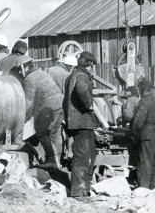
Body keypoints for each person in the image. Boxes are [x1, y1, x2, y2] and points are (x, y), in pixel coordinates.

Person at [14, 56, 64, 169]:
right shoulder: (41, 73)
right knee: (54, 134)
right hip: (60, 105)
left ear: (24, 68)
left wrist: (22, 121)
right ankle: (57, 162)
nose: (20, 73)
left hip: (50, 107)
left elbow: (29, 103)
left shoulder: (30, 79)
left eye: (19, 70)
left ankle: (52, 161)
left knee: (42, 132)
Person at [63, 50, 100, 200]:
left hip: (77, 122)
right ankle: (78, 192)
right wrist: (89, 105)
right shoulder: (81, 76)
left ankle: (85, 189)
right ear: (88, 63)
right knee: (82, 156)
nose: (91, 68)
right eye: (91, 65)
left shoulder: (71, 76)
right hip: (82, 122)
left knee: (89, 154)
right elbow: (82, 91)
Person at [131, 78, 155, 189]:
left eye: (139, 89)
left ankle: (143, 188)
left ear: (143, 90)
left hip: (147, 136)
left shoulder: (144, 101)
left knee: (145, 163)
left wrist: (133, 132)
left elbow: (139, 120)